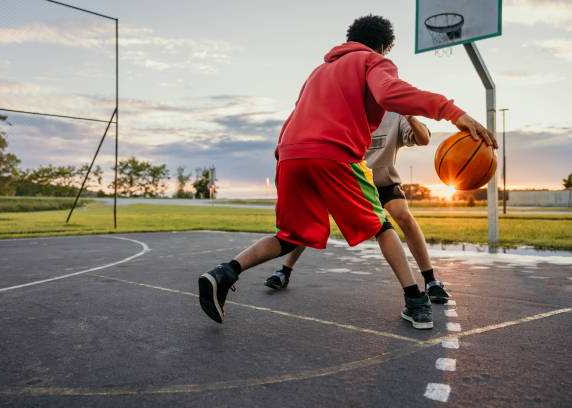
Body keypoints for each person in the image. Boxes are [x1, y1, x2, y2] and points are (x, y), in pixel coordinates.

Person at [198, 15, 497, 329]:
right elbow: (389, 94)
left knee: (291, 236)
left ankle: (224, 272)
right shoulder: (373, 61)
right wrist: (452, 112)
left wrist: (286, 155)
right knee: (382, 226)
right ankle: (416, 301)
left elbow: (296, 115)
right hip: (333, 153)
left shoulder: (318, 72)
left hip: (290, 156)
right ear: (384, 46)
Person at [264, 112, 450, 304]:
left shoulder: (396, 115)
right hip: (349, 181)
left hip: (382, 181)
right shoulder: (349, 108)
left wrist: (410, 117)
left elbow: (424, 139)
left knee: (403, 215)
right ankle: (284, 271)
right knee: (313, 220)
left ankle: (431, 281)